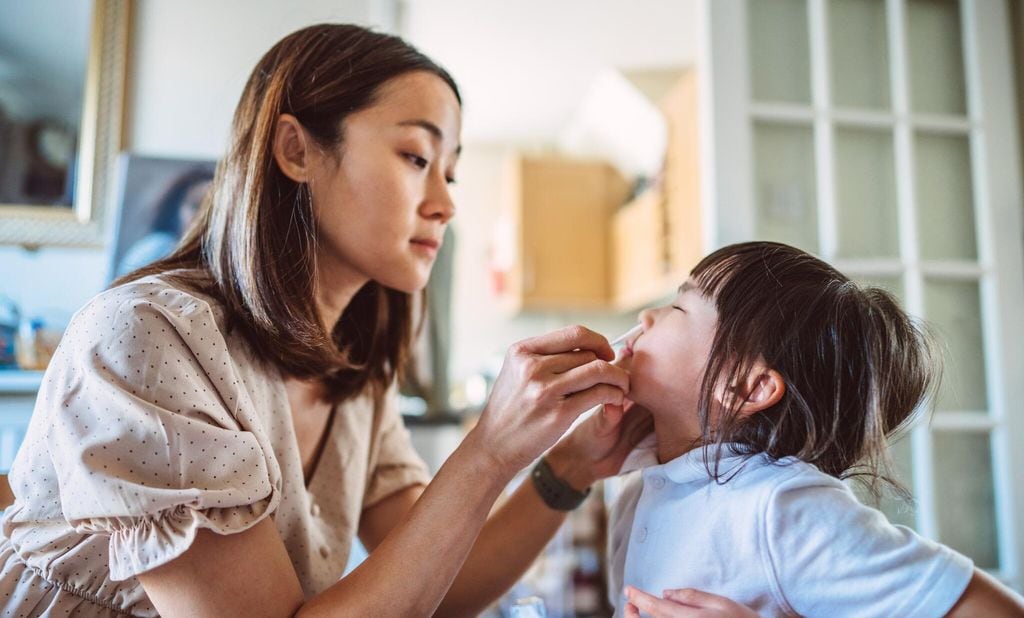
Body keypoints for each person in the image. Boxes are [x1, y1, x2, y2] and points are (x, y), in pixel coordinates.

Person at [0, 24, 651, 616]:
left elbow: (438, 586)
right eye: (419, 159)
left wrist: (569, 467)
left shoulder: (356, 374)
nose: (447, 202)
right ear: (296, 150)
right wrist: (487, 452)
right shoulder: (146, 340)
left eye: (450, 172)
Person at [605, 241, 1024, 617]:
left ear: (747, 387)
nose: (647, 316)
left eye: (679, 308)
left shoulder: (781, 507)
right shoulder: (642, 489)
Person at [114, 167, 213, 278]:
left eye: (213, 209)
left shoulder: (213, 258)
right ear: (175, 209)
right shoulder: (157, 247)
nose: (204, 215)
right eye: (196, 206)